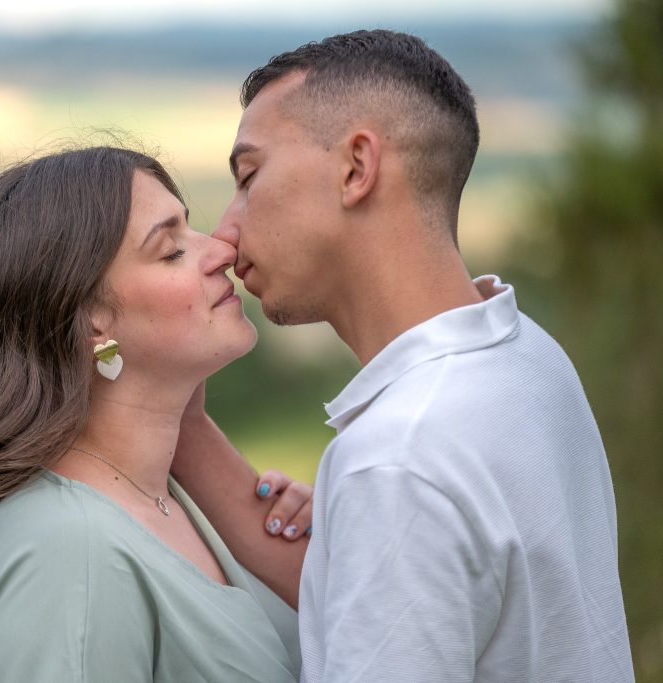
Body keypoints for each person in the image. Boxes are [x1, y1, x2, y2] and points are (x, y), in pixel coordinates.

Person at [171, 29, 634, 681]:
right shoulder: (528, 358)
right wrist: (183, 426)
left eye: (249, 176)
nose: (225, 228)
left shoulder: (398, 461)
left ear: (356, 167)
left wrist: (375, 503)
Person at [0, 146, 312, 682]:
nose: (222, 250)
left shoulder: (168, 503)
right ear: (93, 323)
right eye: (171, 250)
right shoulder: (68, 552)